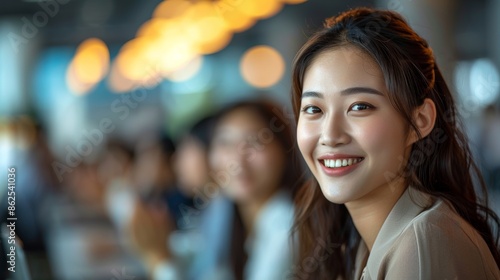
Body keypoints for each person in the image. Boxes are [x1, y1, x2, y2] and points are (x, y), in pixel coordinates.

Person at [291, 7, 500, 280]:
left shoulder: (423, 242)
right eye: (313, 109)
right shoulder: (358, 242)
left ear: (421, 120)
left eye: (359, 106)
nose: (330, 135)